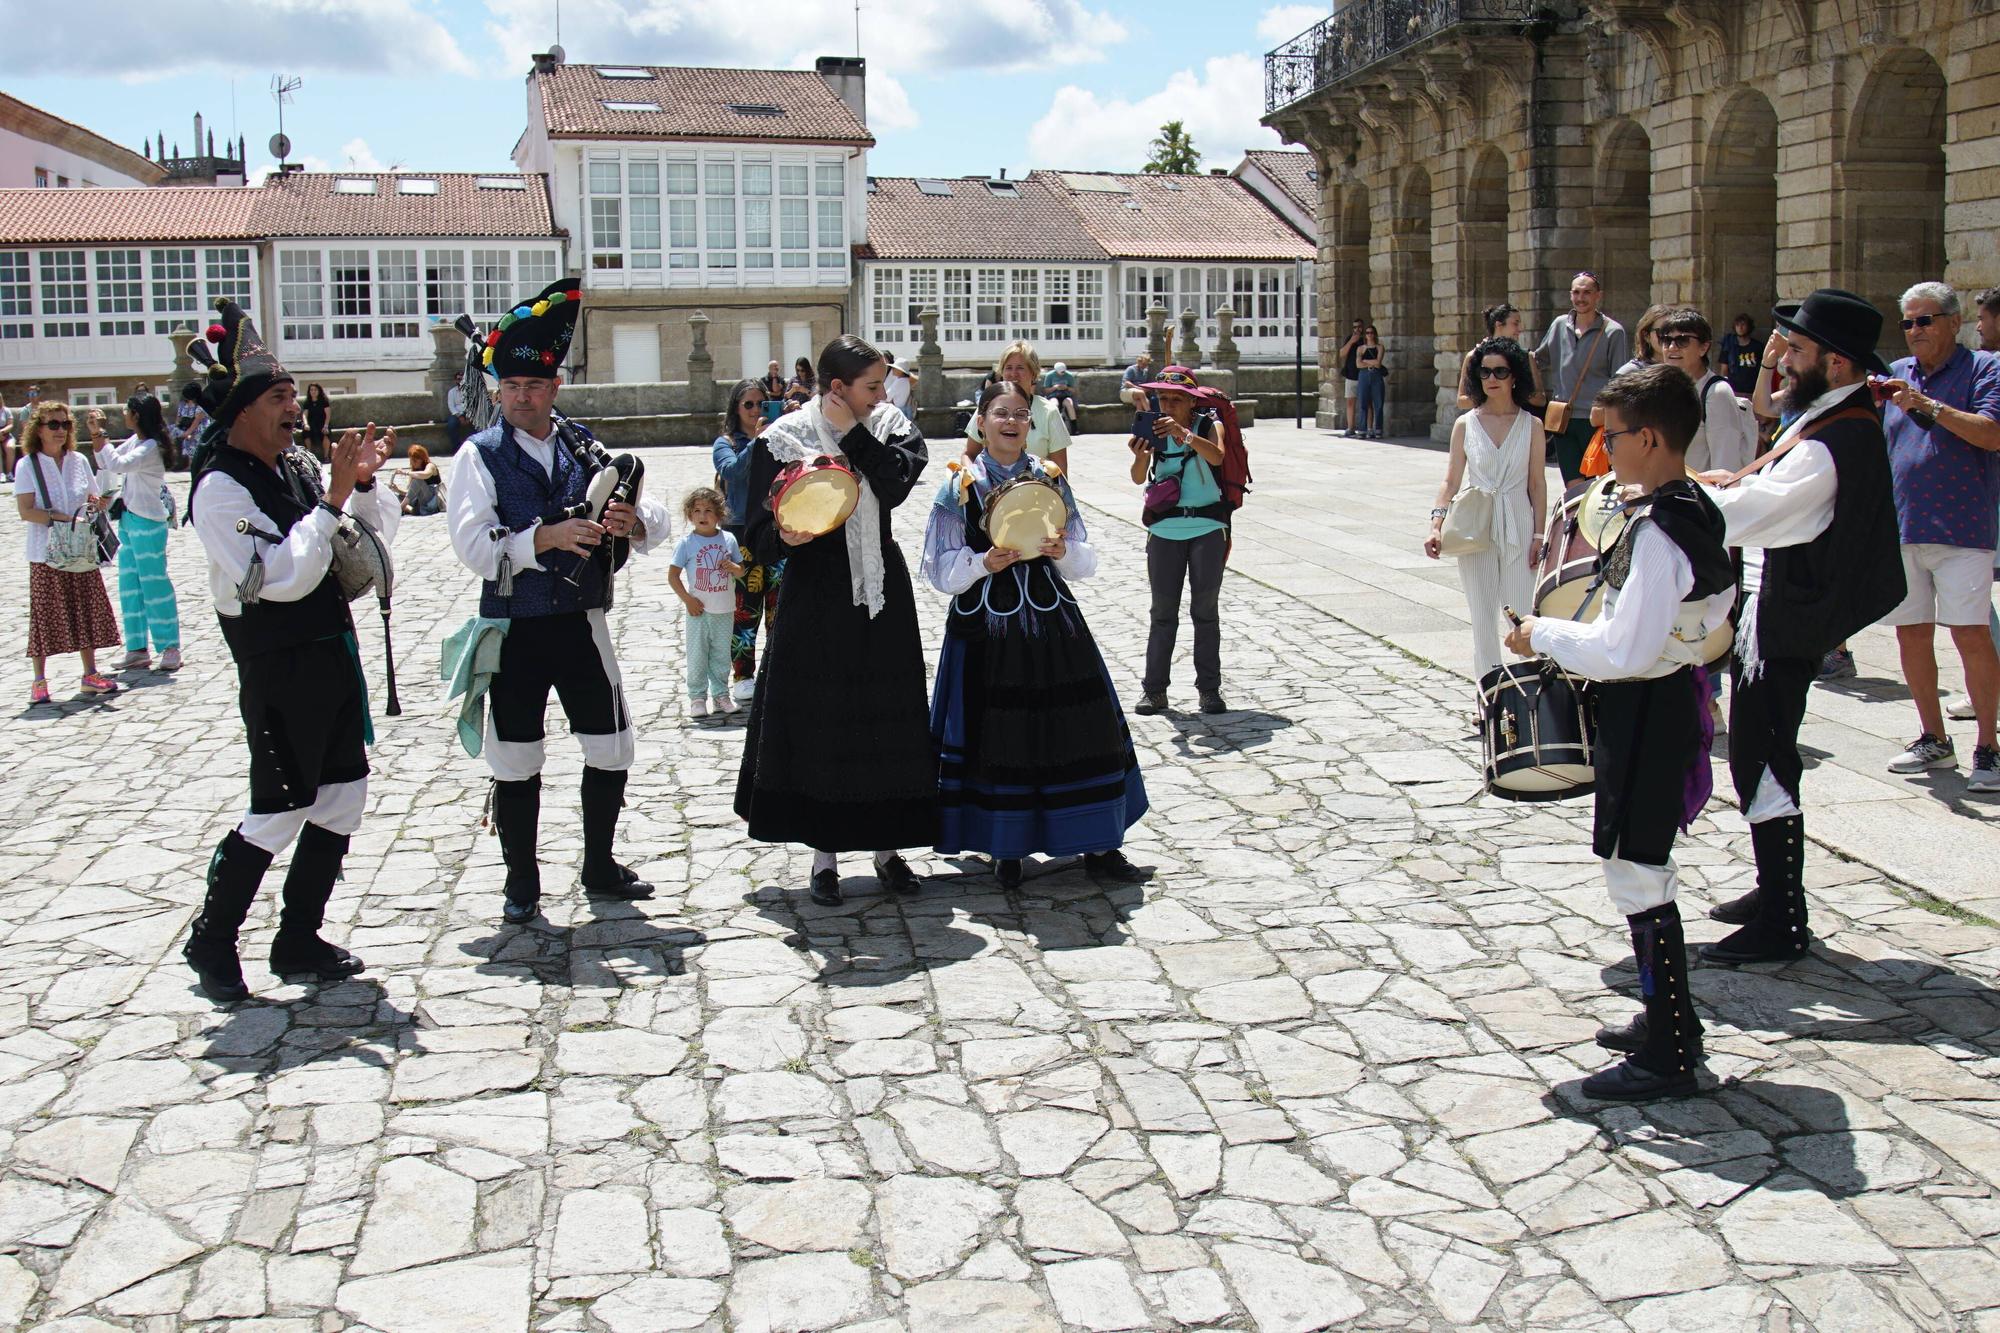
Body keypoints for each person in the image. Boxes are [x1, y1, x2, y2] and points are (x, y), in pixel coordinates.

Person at [1507, 365, 1737, 1101]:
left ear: (1650, 437)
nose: (1602, 450)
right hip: (1665, 697)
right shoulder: (1692, 504)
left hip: (1648, 704)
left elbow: (1624, 652)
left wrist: (1542, 633)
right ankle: (1665, 1017)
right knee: (1638, 862)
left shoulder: (1663, 531)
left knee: (1636, 868)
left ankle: (1672, 1047)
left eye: (1611, 437)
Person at [180, 299, 401, 1002]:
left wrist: (359, 486)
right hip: (277, 667)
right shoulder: (219, 488)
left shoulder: (297, 467)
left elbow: (365, 547)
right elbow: (280, 579)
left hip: (331, 654)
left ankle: (297, 937)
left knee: (341, 799)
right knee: (279, 809)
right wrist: (333, 498)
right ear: (241, 409)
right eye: (279, 398)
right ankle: (212, 939)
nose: (295, 409)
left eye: (292, 396)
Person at [448, 278, 674, 926]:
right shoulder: (479, 455)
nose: (523, 397)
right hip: (514, 626)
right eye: (512, 388)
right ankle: (522, 880)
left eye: (535, 386)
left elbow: (653, 517)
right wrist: (542, 537)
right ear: (498, 391)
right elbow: (471, 545)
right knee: (515, 757)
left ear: (554, 388)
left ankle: (599, 865)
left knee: (610, 745)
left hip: (580, 622)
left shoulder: (582, 443)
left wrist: (632, 520)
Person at [1695, 289, 1906, 965]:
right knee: (1762, 750)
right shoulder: (1825, 416)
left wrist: (1686, 496)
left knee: (1764, 753)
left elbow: (1767, 508)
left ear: (1837, 364)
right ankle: (1773, 889)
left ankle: (1784, 916)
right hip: (1776, 606)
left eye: (1798, 349)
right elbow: (1769, 486)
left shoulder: (1838, 434)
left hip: (1788, 615)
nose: (1782, 358)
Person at [735, 335, 937, 908]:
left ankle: (887, 849)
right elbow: (754, 530)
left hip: (880, 590)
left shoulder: (890, 423)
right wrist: (783, 536)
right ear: (837, 387)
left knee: (887, 714)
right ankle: (823, 855)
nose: (882, 393)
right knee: (822, 717)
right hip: (815, 597)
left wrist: (852, 434)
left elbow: (895, 485)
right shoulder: (784, 438)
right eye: (871, 386)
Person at [923, 379, 1146, 887]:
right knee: (999, 734)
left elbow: (1085, 558)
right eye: (1000, 413)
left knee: (1081, 726)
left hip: (1052, 624)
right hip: (986, 631)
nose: (1010, 422)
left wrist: (1063, 552)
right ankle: (1008, 847)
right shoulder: (960, 484)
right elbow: (939, 571)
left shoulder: (1048, 478)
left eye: (1021, 414)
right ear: (980, 421)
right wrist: (984, 561)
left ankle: (1099, 842)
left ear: (1031, 423)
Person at [1874, 282, 2000, 791]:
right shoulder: (1894, 377)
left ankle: (1988, 747)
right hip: (1904, 525)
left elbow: (1991, 433)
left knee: (1970, 634)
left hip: (1963, 527)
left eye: (1925, 320)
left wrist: (1927, 405)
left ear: (1953, 322)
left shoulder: (1985, 369)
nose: (1914, 331)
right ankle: (1933, 737)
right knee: (1911, 633)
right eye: (1907, 322)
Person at [1426, 337, 1548, 678]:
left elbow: (1537, 484)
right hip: (1475, 525)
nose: (1491, 378)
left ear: (1514, 376)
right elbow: (1450, 480)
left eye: (1500, 371)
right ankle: (1489, 700)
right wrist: (1436, 524)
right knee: (1481, 618)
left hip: (1520, 522)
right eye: (1484, 372)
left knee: (1522, 615)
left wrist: (1540, 534)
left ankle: (1530, 698)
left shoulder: (1532, 425)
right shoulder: (1466, 423)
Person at [1129, 365, 1230, 715]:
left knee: (1205, 613)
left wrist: (1184, 434)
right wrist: (1141, 453)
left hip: (1206, 527)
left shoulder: (1207, 425)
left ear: (1191, 402)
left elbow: (1217, 456)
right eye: (1163, 398)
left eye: (1176, 399)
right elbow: (1138, 476)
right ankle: (1154, 690)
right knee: (1162, 613)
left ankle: (1209, 691)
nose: (1168, 405)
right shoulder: (1154, 428)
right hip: (1164, 531)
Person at [14, 399, 122, 703]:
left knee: (86, 611)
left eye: (65, 424)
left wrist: (97, 504)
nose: (60, 430)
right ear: (39, 429)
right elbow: (26, 511)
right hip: (45, 551)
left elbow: (91, 496)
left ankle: (90, 674)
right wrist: (63, 519)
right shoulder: (27, 465)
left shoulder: (78, 460)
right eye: (54, 424)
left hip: (80, 549)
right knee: (45, 617)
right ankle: (39, 681)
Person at [94, 393, 183, 672]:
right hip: (129, 522)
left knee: (154, 585)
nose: (124, 414)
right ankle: (137, 648)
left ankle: (170, 646)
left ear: (136, 414)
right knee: (130, 585)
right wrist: (101, 443)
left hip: (148, 522)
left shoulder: (151, 448)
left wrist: (100, 435)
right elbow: (108, 462)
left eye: (127, 410)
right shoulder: (137, 442)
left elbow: (119, 464)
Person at [713, 379, 782, 703]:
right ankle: (743, 675)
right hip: (742, 531)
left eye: (761, 404)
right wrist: (758, 440)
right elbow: (732, 472)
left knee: (779, 605)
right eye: (748, 405)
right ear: (736, 409)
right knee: (746, 606)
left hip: (778, 529)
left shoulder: (779, 439)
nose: (755, 410)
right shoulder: (725, 443)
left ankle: (776, 671)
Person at [1537, 272, 1631, 482]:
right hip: (1563, 420)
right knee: (1572, 486)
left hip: (1595, 421)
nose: (1581, 298)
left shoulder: (1614, 332)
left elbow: (1619, 381)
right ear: (1570, 295)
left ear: (1599, 295)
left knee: (1596, 484)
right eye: (1576, 292)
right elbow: (1538, 360)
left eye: (1587, 292)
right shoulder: (1559, 325)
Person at [1655, 308, 1757, 476]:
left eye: (1682, 340)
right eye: (1666, 340)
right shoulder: (1662, 389)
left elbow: (1725, 468)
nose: (1672, 347)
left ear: (1703, 347)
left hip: (1697, 498)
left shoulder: (1717, 393)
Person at [670, 485, 744, 719]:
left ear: (719, 514)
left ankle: (721, 695)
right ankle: (697, 697)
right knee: (698, 654)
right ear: (690, 515)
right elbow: (673, 576)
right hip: (698, 612)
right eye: (697, 510)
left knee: (721, 654)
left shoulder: (728, 539)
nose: (703, 516)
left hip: (724, 609)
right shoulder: (686, 544)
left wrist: (733, 568)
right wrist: (688, 600)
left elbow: (742, 571)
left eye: (709, 510)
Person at [967, 342, 1072, 472]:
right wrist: (973, 481)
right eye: (1008, 368)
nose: (1013, 374)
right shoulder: (986, 406)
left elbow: (1060, 470)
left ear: (1033, 373)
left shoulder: (1049, 411)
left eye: (1020, 368)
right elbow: (969, 454)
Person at [1457, 304, 1546, 411]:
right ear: (1499, 325)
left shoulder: (1527, 357)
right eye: (1515, 323)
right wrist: (1488, 393)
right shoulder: (1474, 357)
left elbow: (1541, 400)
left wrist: (1515, 391)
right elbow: (1461, 401)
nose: (1520, 329)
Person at [390, 444, 445, 516]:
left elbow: (426, 474)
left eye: (416, 460)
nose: (413, 462)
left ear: (422, 459)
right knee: (395, 496)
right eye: (412, 460)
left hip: (432, 502)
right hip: (419, 501)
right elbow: (411, 493)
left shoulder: (430, 466)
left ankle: (402, 508)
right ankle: (410, 509)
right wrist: (398, 490)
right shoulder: (414, 471)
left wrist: (406, 473)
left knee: (418, 481)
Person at [1353, 325, 1387, 438]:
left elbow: (1378, 363)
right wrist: (1371, 362)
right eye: (1367, 333)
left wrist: (1366, 360)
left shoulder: (1379, 347)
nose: (1369, 334)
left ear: (1375, 334)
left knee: (1378, 403)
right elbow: (1358, 364)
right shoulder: (1360, 348)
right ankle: (1362, 430)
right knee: (1363, 403)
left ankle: (1378, 429)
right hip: (1364, 374)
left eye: (1371, 332)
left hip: (1376, 375)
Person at [1720, 314, 1763, 397]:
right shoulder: (1729, 346)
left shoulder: (1758, 346)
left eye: (1743, 324)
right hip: (1734, 391)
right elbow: (1724, 370)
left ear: (1749, 326)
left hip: (1752, 391)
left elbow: (1762, 370)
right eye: (1737, 325)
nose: (1740, 328)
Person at [1337, 319, 1365, 434]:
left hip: (1363, 374)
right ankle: (1350, 427)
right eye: (1354, 327)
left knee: (1365, 402)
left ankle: (1365, 427)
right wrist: (1351, 342)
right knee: (1350, 401)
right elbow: (1342, 354)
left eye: (1359, 327)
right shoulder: (1350, 339)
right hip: (1351, 374)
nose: (1357, 329)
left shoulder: (1365, 339)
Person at [174, 382, 211, 468]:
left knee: (196, 451)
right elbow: (178, 418)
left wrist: (187, 433)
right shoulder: (183, 404)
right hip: (186, 428)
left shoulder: (201, 406)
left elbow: (197, 422)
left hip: (198, 430)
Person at [1041, 360, 1079, 428]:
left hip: (1065, 395)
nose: (1063, 373)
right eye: (1061, 372)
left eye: (1064, 371)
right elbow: (1046, 391)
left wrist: (1066, 387)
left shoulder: (1069, 376)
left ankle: (1074, 427)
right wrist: (1055, 387)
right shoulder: (1049, 376)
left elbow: (1074, 390)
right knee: (1054, 404)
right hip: (1053, 396)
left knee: (1069, 404)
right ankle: (1053, 425)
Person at [301, 383, 331, 461]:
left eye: (315, 390)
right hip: (311, 423)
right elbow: (304, 414)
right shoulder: (307, 402)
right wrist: (306, 424)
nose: (313, 392)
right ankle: (310, 455)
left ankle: (326, 456)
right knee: (306, 433)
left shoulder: (324, 401)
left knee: (326, 434)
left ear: (319, 391)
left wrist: (326, 426)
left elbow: (328, 414)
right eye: (311, 390)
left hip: (322, 423)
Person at [882, 350, 916, 417]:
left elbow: (886, 397)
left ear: (900, 371)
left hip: (897, 410)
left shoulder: (899, 382)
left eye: (895, 368)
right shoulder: (905, 380)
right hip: (902, 409)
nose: (893, 369)